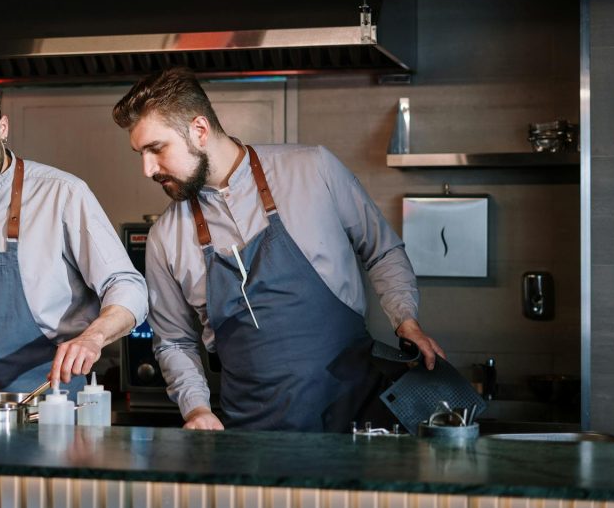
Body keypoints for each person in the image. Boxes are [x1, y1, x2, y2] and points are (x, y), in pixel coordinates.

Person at [112, 67, 444, 432]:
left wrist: (405, 320)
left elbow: (382, 250)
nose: (147, 169)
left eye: (156, 149)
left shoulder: (313, 168)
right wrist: (196, 410)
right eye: (139, 154)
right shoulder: (165, 237)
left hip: (357, 424)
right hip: (253, 437)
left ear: (200, 130)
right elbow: (174, 343)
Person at [0, 77, 147, 395]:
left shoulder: (62, 194)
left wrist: (94, 337)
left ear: (2, 128)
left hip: (56, 399)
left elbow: (127, 286)